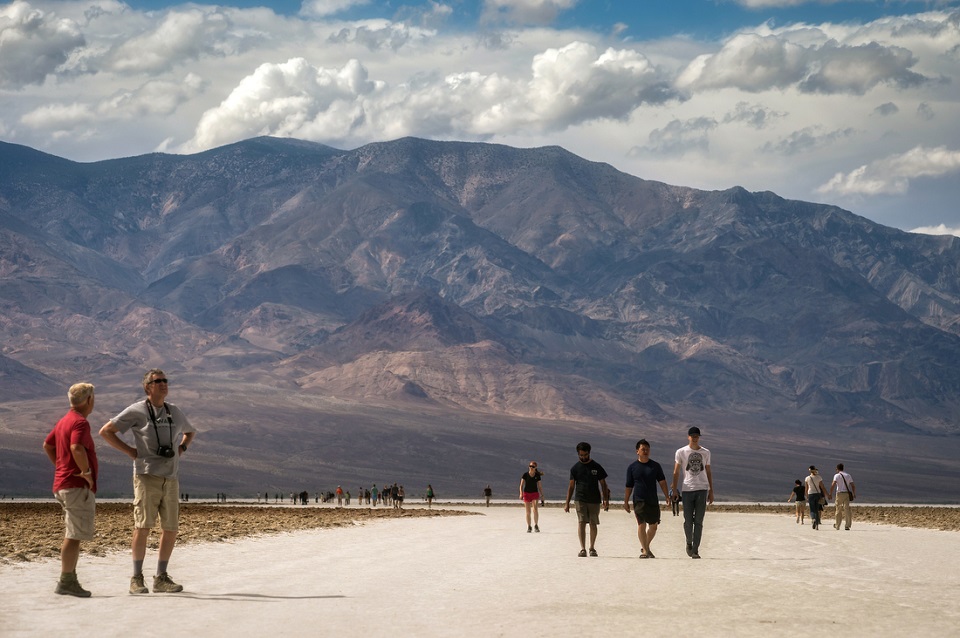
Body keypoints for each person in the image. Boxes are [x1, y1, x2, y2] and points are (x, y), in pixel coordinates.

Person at [99, 369, 196, 594]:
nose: (163, 384)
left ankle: (161, 577)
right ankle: (136, 578)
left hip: (170, 478)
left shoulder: (174, 411)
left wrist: (181, 448)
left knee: (170, 528)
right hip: (146, 476)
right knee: (142, 526)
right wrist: (131, 452)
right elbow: (106, 431)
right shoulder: (138, 410)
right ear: (147, 387)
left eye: (165, 381)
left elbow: (190, 432)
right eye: (157, 381)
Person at [43, 383, 98, 597]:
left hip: (62, 484)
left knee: (72, 532)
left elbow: (48, 445)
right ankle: (67, 580)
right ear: (89, 400)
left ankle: (70, 579)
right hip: (75, 486)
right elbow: (76, 447)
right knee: (74, 535)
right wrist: (85, 471)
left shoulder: (64, 421)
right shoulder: (80, 422)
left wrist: (61, 466)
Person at [671, 427, 713, 559]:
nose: (695, 438)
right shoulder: (681, 452)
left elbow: (708, 471)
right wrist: (674, 489)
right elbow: (676, 472)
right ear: (688, 437)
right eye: (692, 436)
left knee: (699, 521)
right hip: (687, 489)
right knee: (688, 521)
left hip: (702, 489)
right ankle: (689, 542)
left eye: (697, 436)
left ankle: (695, 550)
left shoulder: (705, 452)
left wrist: (711, 490)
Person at [624, 439, 670, 559]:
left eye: (647, 449)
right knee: (641, 524)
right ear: (637, 451)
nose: (645, 451)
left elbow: (662, 482)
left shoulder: (655, 466)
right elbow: (629, 486)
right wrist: (625, 501)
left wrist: (667, 496)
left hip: (652, 500)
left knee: (653, 526)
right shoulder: (632, 467)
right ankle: (645, 550)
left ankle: (646, 546)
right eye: (643, 449)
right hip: (639, 499)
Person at [564, 442, 610, 557]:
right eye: (581, 455)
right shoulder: (575, 468)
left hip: (594, 499)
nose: (583, 457)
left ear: (589, 453)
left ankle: (592, 548)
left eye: (585, 455)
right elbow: (571, 486)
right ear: (578, 454)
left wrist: (606, 500)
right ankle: (583, 548)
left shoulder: (596, 466)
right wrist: (567, 503)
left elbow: (603, 484)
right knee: (582, 522)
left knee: (593, 523)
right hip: (580, 498)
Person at [519, 461, 545, 533]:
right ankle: (529, 526)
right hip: (526, 494)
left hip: (534, 494)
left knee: (535, 509)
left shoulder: (537, 475)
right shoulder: (525, 475)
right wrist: (521, 494)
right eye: (530, 466)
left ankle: (536, 525)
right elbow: (521, 485)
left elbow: (539, 486)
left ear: (535, 468)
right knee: (528, 512)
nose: (531, 468)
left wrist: (542, 495)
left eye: (533, 467)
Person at [830, 463, 856, 530]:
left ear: (837, 469)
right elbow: (853, 485)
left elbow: (833, 485)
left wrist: (830, 493)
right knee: (847, 509)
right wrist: (854, 493)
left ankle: (837, 525)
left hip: (839, 494)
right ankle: (847, 525)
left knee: (838, 509)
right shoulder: (848, 475)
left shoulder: (836, 475)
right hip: (846, 494)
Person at [804, 465, 829, 530]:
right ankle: (817, 525)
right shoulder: (819, 477)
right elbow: (822, 487)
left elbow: (806, 488)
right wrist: (827, 494)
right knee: (817, 509)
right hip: (818, 494)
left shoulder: (807, 478)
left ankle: (813, 519)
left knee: (812, 509)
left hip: (811, 494)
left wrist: (806, 496)